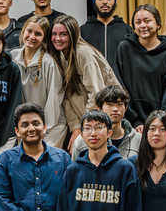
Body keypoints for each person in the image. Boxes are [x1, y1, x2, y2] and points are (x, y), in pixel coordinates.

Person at [49, 15, 120, 147]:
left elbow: (96, 95)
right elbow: (66, 96)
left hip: (99, 124)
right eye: (54, 34)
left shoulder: (84, 53)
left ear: (73, 35)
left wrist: (87, 127)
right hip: (84, 125)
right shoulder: (60, 56)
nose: (57, 39)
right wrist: (75, 127)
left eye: (63, 34)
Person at [114, 4, 166, 133]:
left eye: (147, 21)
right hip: (133, 123)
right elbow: (120, 85)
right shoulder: (124, 48)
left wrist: (160, 121)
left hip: (162, 123)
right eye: (138, 22)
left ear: (157, 24)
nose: (143, 26)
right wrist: (135, 120)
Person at [11, 16, 67, 148]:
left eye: (38, 34)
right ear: (23, 31)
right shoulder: (12, 57)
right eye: (29, 31)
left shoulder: (48, 63)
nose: (32, 37)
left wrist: (43, 129)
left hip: (50, 126)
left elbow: (54, 100)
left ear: (44, 38)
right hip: (25, 125)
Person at [70, 85, 140, 161]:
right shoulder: (84, 140)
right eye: (110, 104)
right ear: (99, 108)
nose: (115, 109)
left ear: (125, 108)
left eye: (120, 104)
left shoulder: (138, 139)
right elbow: (76, 170)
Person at [81, 0, 132, 64]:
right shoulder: (83, 31)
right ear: (94, 1)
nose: (104, 2)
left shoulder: (126, 30)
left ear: (114, 1)